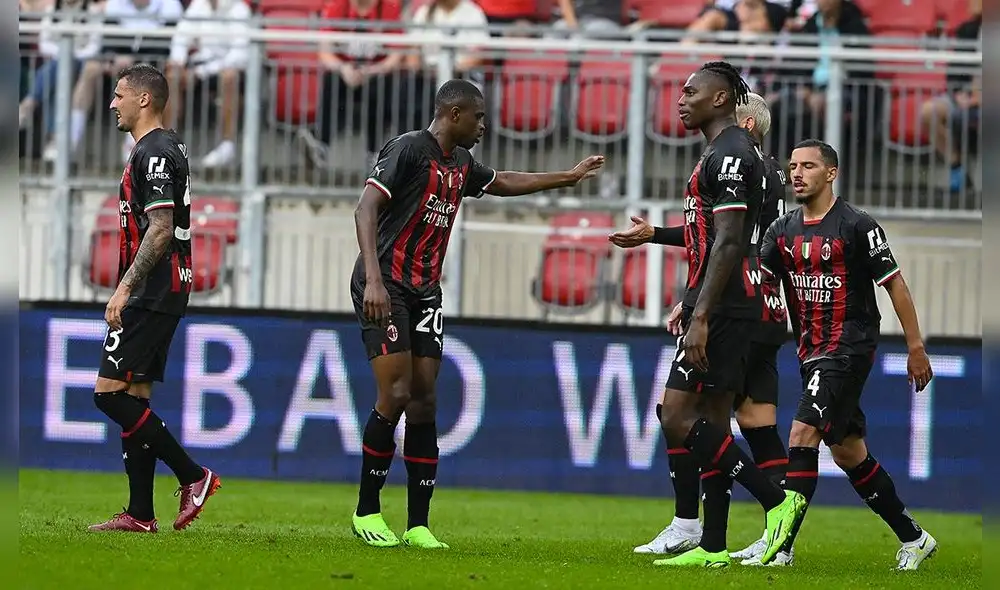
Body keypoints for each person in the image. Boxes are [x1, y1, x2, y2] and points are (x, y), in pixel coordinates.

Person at [350, 79, 604, 549]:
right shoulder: (408, 150)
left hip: (425, 291)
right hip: (384, 285)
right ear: (453, 115)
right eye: (479, 117)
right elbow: (365, 210)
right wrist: (375, 279)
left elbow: (502, 182)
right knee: (398, 390)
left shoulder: (461, 163)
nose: (485, 125)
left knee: (425, 399)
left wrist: (566, 177)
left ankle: (419, 524)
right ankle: (367, 510)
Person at [608, 62, 806, 568]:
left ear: (721, 100)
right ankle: (712, 545)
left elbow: (731, 242)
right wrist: (656, 236)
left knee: (676, 415)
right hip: (728, 302)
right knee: (714, 421)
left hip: (726, 307)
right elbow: (709, 233)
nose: (681, 98)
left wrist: (700, 312)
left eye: (691, 91)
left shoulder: (734, 153)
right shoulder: (721, 153)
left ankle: (776, 501)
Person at [758, 139, 937, 570]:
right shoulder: (782, 231)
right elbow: (757, 282)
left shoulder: (857, 225)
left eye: (808, 166)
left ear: (831, 173)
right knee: (847, 451)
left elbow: (894, 284)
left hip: (847, 346)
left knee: (802, 434)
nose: (797, 173)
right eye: (793, 166)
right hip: (810, 351)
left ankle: (780, 547)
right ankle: (914, 538)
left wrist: (916, 346)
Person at [88, 63, 220, 534]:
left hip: (154, 287)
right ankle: (141, 513)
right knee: (135, 394)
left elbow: (161, 228)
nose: (113, 103)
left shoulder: (157, 151)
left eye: (120, 94)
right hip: (167, 284)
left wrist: (124, 286)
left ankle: (194, 475)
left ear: (144, 100)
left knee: (108, 395)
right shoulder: (162, 146)